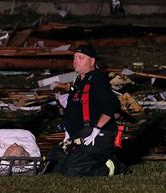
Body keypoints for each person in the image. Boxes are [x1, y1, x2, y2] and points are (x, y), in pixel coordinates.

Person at [50, 44, 126, 176]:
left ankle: (112, 165)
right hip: (79, 136)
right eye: (74, 58)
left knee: (71, 170)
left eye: (80, 58)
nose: (75, 61)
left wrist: (97, 129)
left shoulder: (97, 79)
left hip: (97, 137)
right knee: (54, 163)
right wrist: (68, 133)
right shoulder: (79, 80)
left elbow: (113, 104)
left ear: (92, 61)